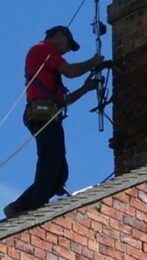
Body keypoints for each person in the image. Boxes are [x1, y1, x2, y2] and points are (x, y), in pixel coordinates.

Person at [3, 25, 105, 218]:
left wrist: (84, 89)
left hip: (49, 114)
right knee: (50, 159)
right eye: (68, 45)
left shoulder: (49, 68)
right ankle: (36, 205)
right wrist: (93, 62)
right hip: (42, 114)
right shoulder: (42, 49)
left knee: (60, 172)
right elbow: (71, 71)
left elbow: (62, 101)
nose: (66, 51)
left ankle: (19, 206)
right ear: (59, 35)